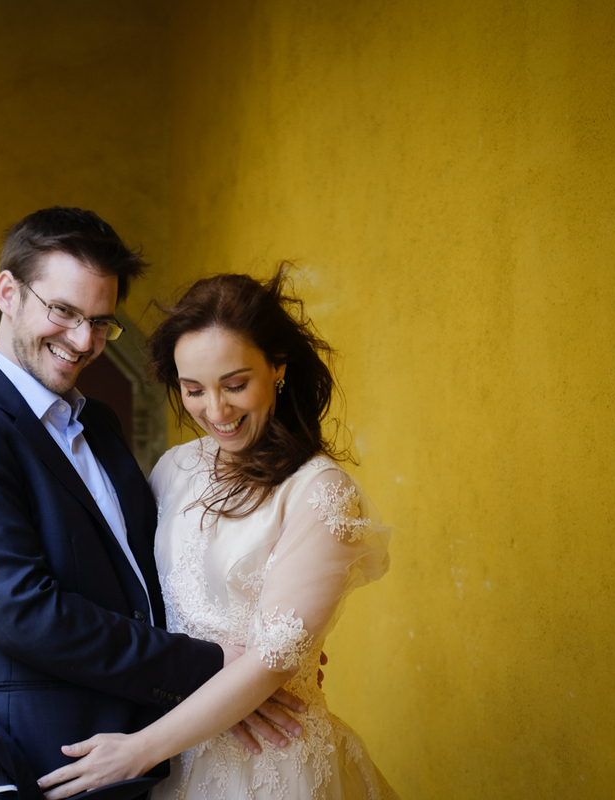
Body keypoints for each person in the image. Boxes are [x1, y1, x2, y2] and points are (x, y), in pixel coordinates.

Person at [0, 209, 305, 800]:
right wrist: (208, 667)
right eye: (63, 312)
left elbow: (145, 580)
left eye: (100, 321)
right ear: (8, 293)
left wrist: (245, 675)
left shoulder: (97, 421)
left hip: (130, 759)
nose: (82, 341)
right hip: (30, 768)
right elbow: (25, 613)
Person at [37, 271, 399, 800]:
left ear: (277, 368)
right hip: (174, 755)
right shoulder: (174, 468)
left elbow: (273, 658)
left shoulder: (320, 491)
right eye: (193, 390)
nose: (216, 411)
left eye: (235, 385)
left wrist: (137, 750)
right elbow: (141, 602)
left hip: (272, 763)